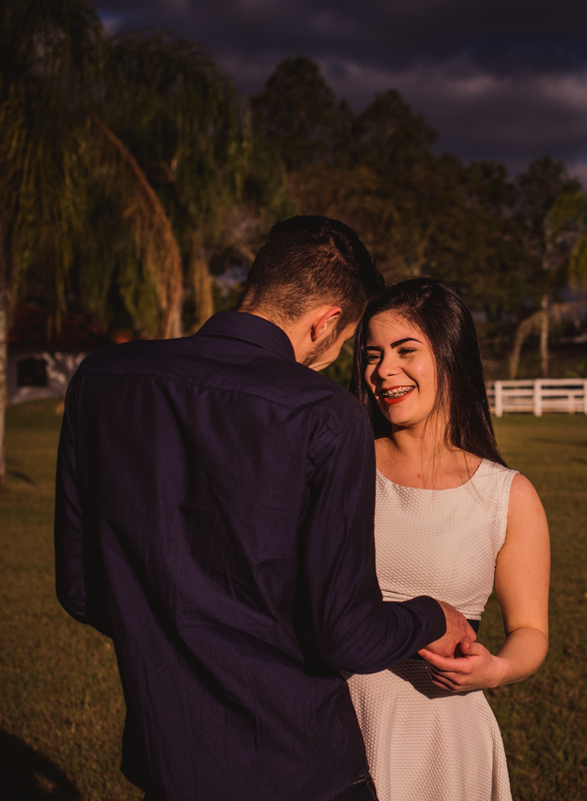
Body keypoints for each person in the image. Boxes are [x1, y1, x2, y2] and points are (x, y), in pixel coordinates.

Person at [54, 217, 476, 801]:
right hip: (296, 765)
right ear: (326, 323)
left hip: (168, 761)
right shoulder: (322, 414)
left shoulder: (100, 380)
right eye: (347, 342)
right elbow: (345, 635)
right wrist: (433, 615)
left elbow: (80, 588)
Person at [345, 278, 550, 801]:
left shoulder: (507, 495)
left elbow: (530, 630)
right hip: (338, 722)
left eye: (405, 350)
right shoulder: (339, 468)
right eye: (373, 355)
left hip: (445, 737)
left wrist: (497, 669)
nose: (383, 370)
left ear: (450, 357)